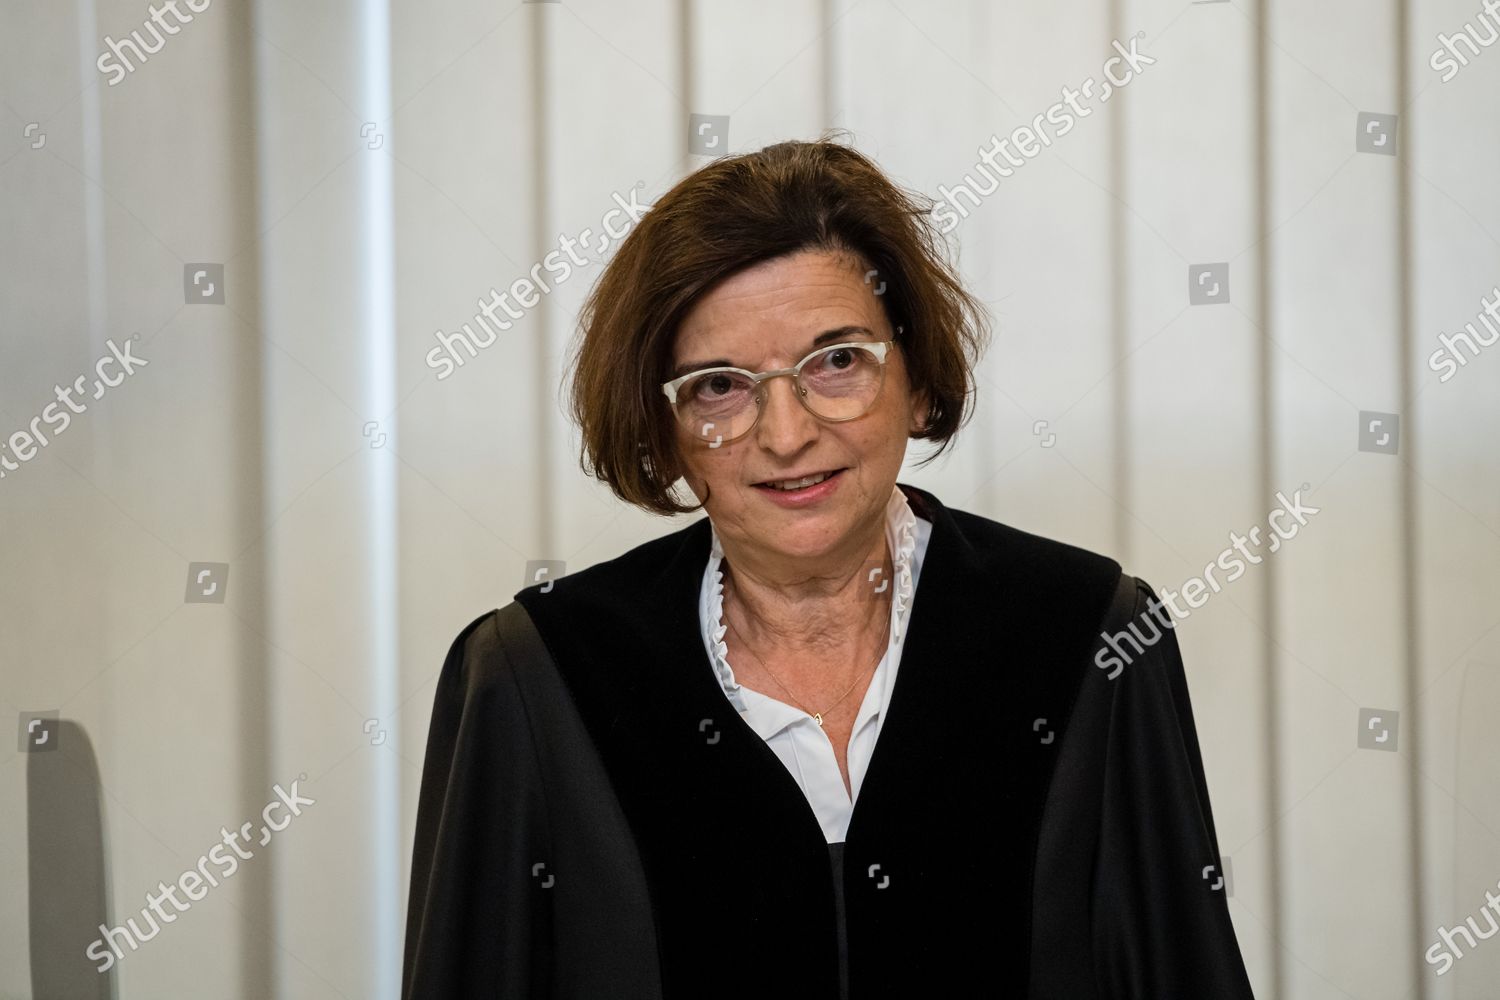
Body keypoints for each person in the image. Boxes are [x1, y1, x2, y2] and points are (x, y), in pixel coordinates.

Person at [400, 135, 1257, 999]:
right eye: (719, 386)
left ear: (918, 378)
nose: (786, 433)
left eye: (837, 361)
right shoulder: (539, 676)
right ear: (663, 433)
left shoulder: (1084, 636)